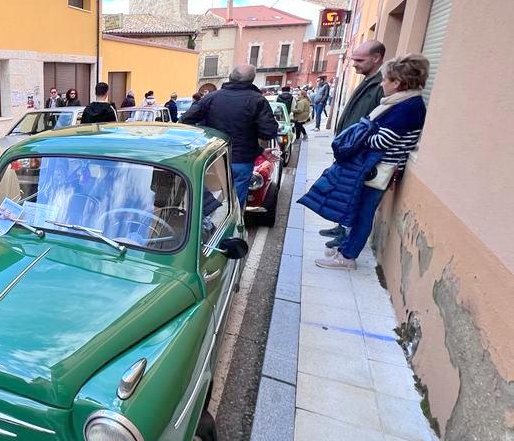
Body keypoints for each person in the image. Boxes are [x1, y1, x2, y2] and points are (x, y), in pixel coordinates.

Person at [301, 54, 429, 270]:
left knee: (362, 214)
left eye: (386, 79)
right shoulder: (402, 103)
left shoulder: (407, 108)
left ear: (398, 83)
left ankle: (347, 257)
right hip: (371, 167)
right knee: (356, 208)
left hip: (376, 170)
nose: (382, 83)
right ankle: (344, 249)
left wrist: (362, 133)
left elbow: (381, 141)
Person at [181, 64, 279, 209]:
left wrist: (206, 132)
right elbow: (268, 132)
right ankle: (232, 227)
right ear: (251, 80)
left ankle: (205, 225)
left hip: (213, 158)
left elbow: (186, 119)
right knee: (235, 205)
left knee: (205, 202)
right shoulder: (257, 100)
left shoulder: (211, 97)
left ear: (230, 77)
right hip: (241, 160)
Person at [319, 41, 386, 243]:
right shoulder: (369, 81)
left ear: (376, 58)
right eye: (353, 59)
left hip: (360, 152)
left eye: (359, 60)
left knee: (354, 195)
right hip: (350, 150)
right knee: (344, 193)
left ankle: (346, 238)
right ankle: (341, 228)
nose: (354, 64)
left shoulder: (381, 85)